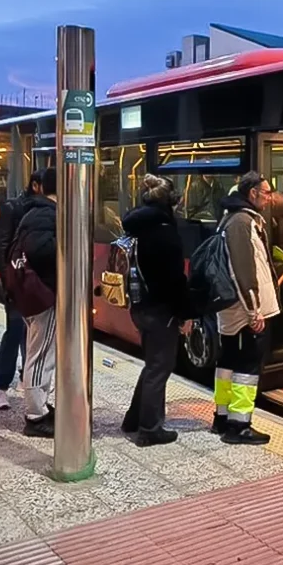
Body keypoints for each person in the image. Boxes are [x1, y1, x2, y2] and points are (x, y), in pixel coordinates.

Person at [120, 175, 195, 447]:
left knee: (153, 364)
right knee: (160, 366)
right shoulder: (164, 232)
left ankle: (134, 418)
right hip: (160, 309)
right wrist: (185, 314)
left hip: (140, 306)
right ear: (170, 202)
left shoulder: (138, 226)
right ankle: (150, 429)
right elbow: (174, 281)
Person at [212, 171, 280, 445]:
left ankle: (222, 416)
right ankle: (239, 425)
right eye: (266, 193)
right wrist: (254, 310)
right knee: (248, 365)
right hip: (244, 310)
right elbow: (243, 269)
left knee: (227, 361)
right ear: (252, 193)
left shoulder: (233, 218)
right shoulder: (241, 223)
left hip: (233, 308)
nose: (270, 198)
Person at [0, 170, 43, 410]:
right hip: (16, 279)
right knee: (16, 328)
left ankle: (25, 377)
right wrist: (7, 279)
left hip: (39, 280)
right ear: (37, 186)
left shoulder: (48, 209)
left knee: (34, 332)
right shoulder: (13, 208)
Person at [16, 168, 58, 438]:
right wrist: (67, 241)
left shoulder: (36, 210)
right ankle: (35, 416)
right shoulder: (46, 214)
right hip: (44, 292)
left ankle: (41, 405)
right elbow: (40, 250)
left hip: (34, 292)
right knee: (41, 356)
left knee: (41, 352)